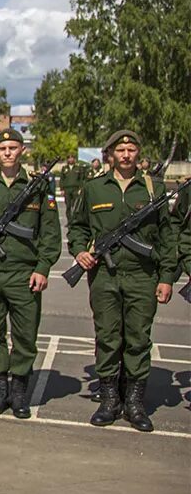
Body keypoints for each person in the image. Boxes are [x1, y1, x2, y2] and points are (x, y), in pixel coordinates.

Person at [68, 130, 177, 432]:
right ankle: (109, 399)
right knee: (107, 337)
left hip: (143, 277)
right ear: (111, 154)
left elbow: (168, 237)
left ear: (138, 153)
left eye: (131, 149)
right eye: (121, 149)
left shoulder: (153, 189)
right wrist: (80, 253)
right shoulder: (93, 188)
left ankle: (135, 402)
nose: (127, 154)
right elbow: (77, 228)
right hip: (104, 276)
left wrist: (167, 277)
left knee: (138, 339)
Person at [0, 129, 61, 419]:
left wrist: (43, 268)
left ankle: (19, 389)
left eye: (13, 147)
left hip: (24, 273)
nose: (7, 152)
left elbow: (50, 231)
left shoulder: (37, 186)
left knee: (25, 335)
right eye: (2, 147)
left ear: (22, 151)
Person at [59, 154, 90, 223]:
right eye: (69, 158)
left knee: (76, 205)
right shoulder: (64, 168)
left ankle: (75, 221)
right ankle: (69, 221)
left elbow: (82, 179)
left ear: (74, 159)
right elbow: (62, 179)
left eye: (72, 158)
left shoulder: (78, 168)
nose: (70, 159)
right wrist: (62, 189)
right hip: (67, 189)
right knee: (68, 206)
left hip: (75, 189)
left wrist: (80, 188)